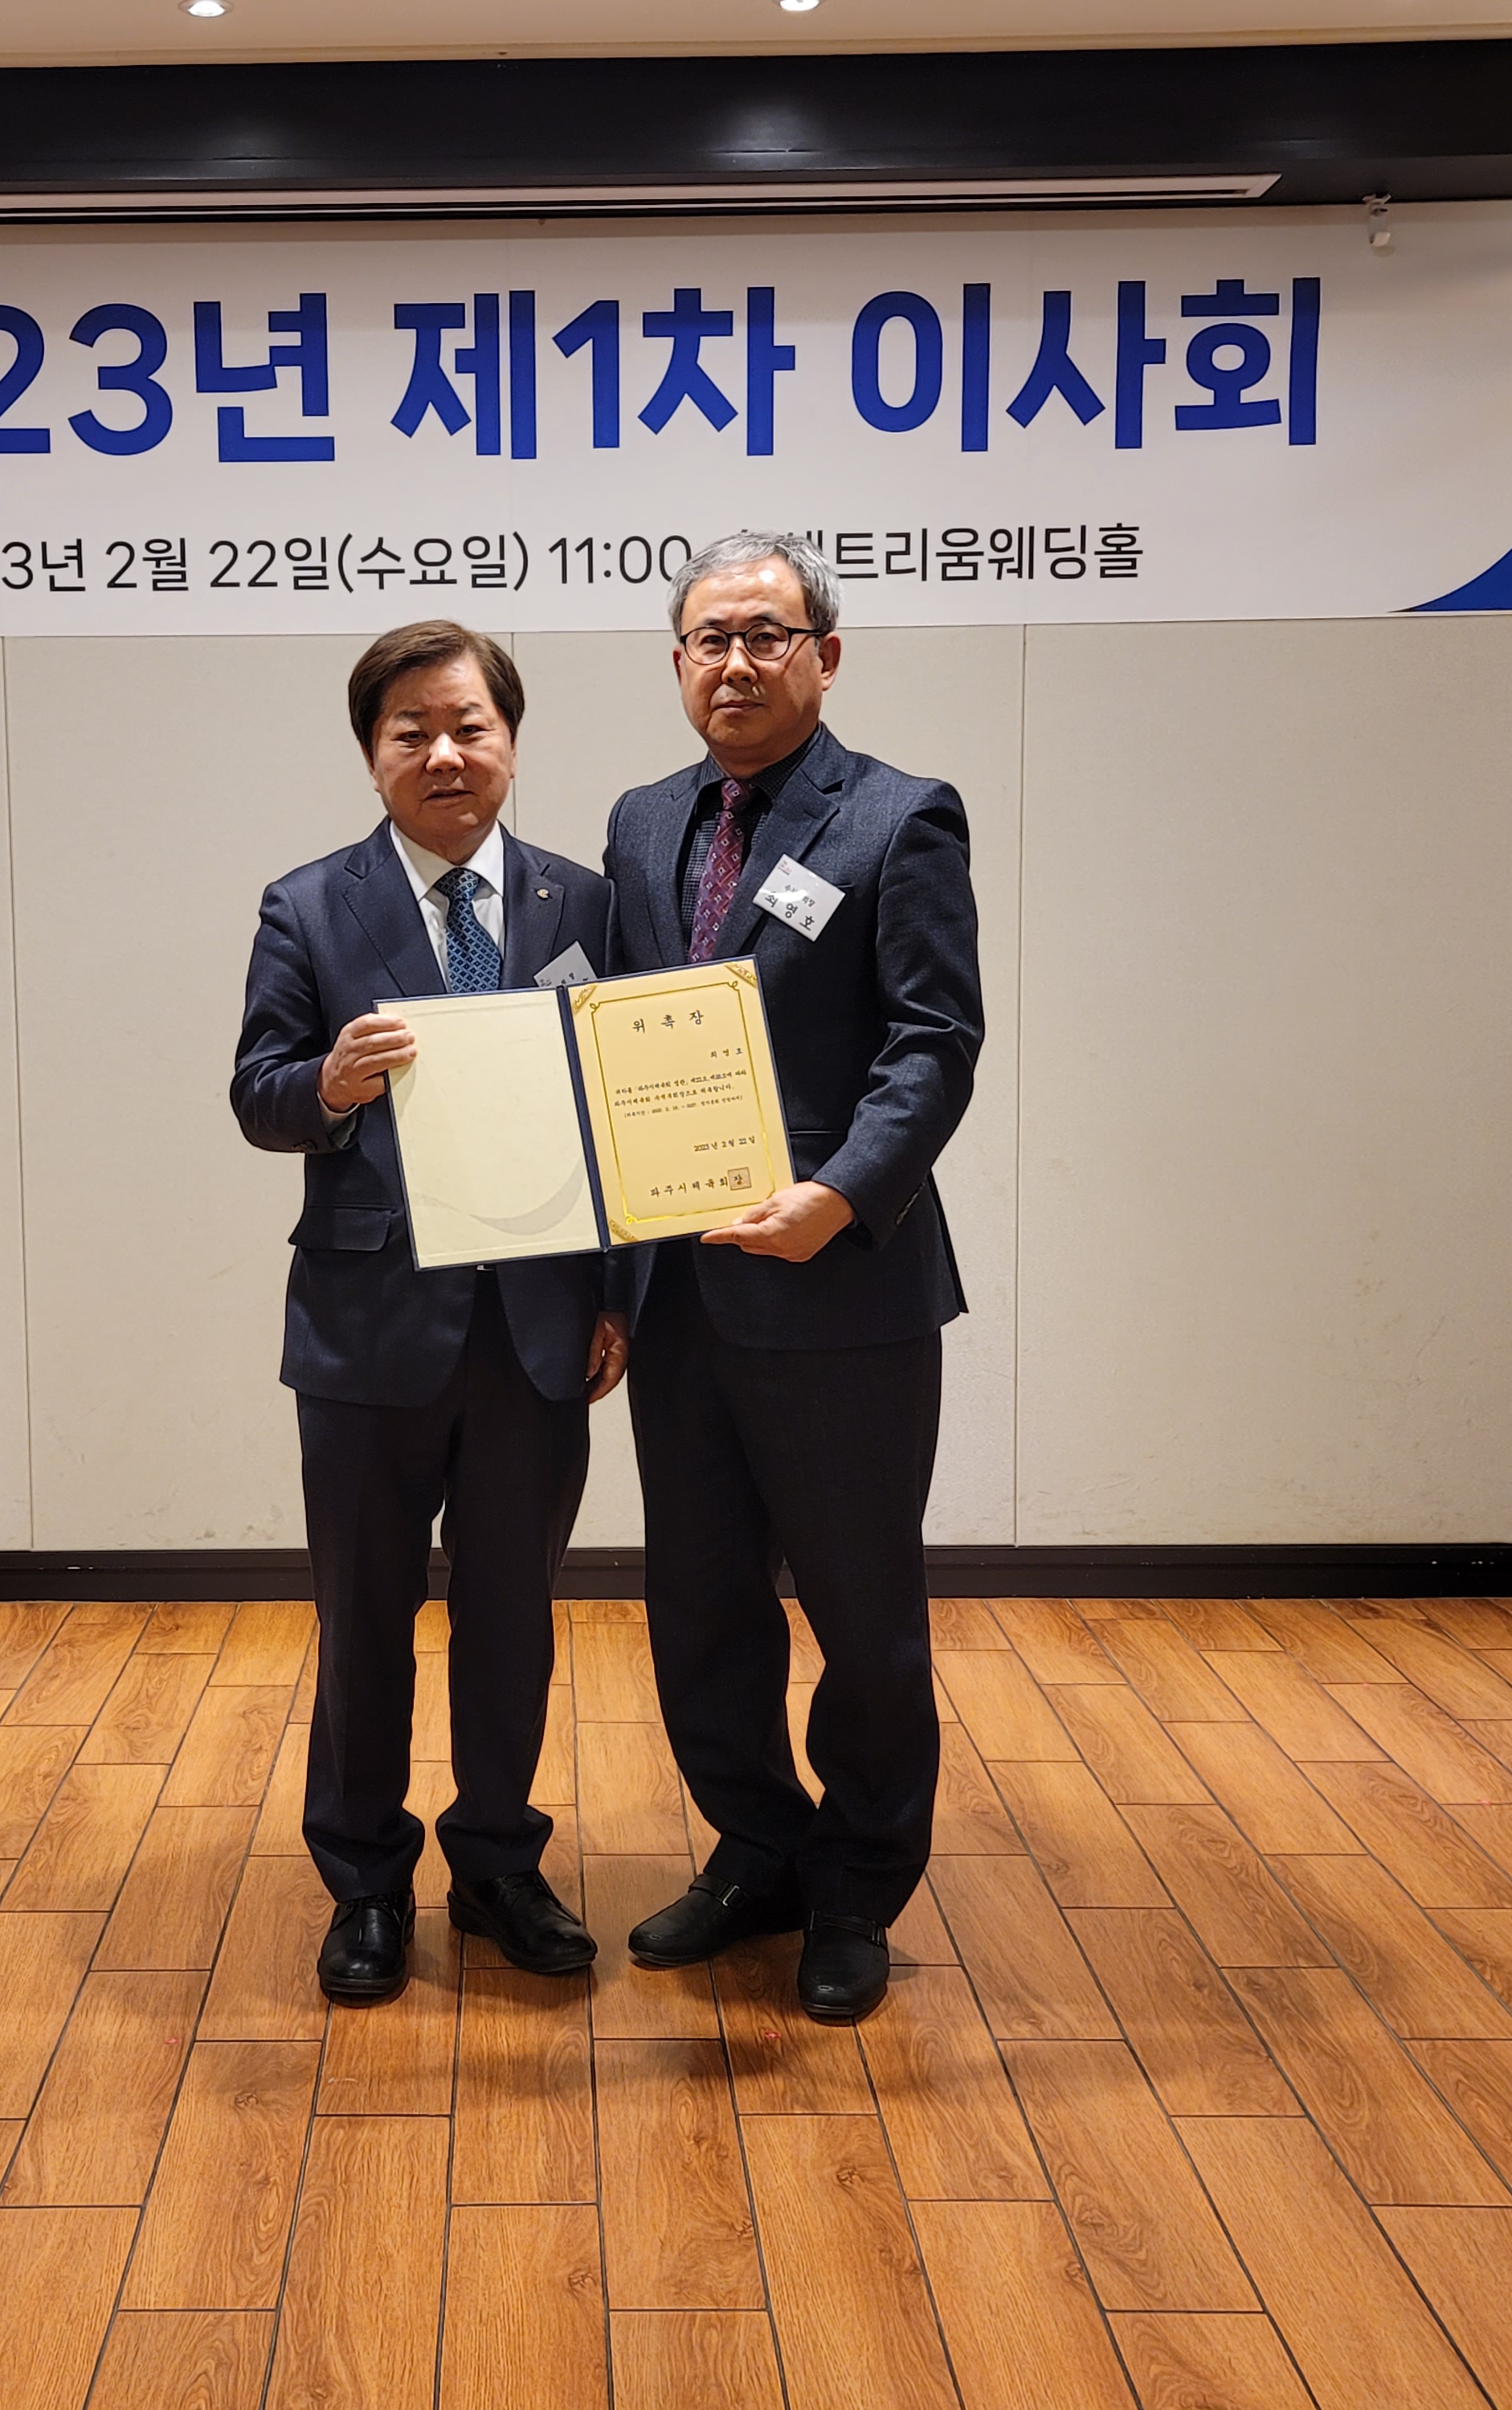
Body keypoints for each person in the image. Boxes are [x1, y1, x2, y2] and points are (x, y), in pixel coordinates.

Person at [603, 532, 983, 2024]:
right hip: (683, 1292)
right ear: (677, 662)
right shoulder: (643, 822)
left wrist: (840, 1197)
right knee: (699, 1606)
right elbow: (619, 1042)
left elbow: (933, 1043)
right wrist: (606, 1273)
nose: (736, 663)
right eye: (710, 638)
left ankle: (857, 1888)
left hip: (842, 1290)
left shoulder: (899, 816)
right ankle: (756, 1849)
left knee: (861, 1610)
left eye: (767, 634)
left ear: (825, 654)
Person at [231, 620, 628, 2005]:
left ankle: (500, 1863)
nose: (445, 754)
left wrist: (618, 1300)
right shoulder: (308, 906)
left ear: (510, 741)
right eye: (413, 732)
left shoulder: (588, 903)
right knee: (363, 1619)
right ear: (372, 754)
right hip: (367, 1333)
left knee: (512, 1614)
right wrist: (329, 1084)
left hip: (538, 1332)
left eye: (470, 727)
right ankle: (364, 1881)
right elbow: (258, 1094)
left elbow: (625, 1118)